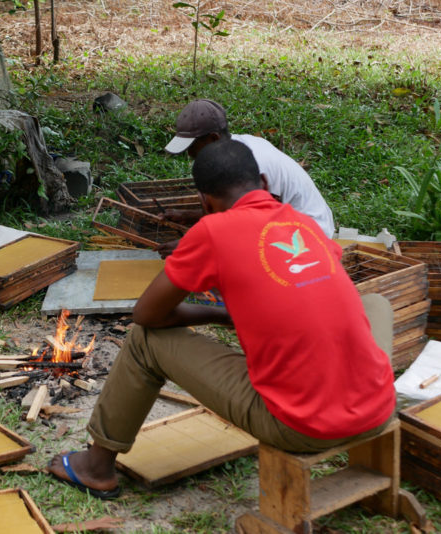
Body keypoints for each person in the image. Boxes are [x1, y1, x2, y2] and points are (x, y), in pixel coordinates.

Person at [47, 140, 395, 499]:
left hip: (300, 425)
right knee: (376, 303)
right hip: (378, 406)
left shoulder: (213, 230)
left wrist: (217, 316)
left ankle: (97, 467)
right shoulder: (303, 223)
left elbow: (147, 314)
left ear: (204, 201)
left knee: (144, 341)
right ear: (262, 181)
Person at [156, 99, 335, 257]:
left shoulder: (253, 163)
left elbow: (252, 228)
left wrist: (191, 247)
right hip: (282, 226)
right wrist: (188, 216)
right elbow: (236, 213)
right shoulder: (234, 150)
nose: (190, 154)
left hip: (309, 236)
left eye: (193, 147)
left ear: (213, 138)